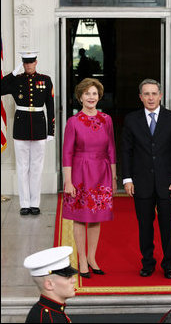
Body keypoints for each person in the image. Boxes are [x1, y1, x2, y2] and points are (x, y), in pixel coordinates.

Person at [121, 79, 171, 279]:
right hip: (141, 183)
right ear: (140, 97)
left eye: (154, 93)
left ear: (160, 96)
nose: (150, 97)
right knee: (145, 226)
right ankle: (147, 263)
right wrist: (127, 179)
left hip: (168, 183)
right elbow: (126, 151)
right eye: (146, 94)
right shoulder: (131, 120)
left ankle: (169, 265)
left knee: (168, 225)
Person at [62, 78, 117, 278]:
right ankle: (82, 259)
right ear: (80, 97)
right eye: (87, 94)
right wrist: (68, 181)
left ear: (99, 96)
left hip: (102, 172)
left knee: (97, 217)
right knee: (80, 217)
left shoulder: (107, 120)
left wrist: (114, 175)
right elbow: (66, 153)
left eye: (94, 93)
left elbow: (111, 148)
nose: (91, 97)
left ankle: (92, 258)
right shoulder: (73, 121)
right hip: (80, 172)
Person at [1, 52, 55, 215]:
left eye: (31, 63)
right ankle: (24, 204)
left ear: (36, 62)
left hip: (39, 126)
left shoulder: (45, 80)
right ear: (22, 64)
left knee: (36, 167)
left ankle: (35, 203)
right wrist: (12, 74)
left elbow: (51, 106)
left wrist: (50, 131)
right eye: (25, 63)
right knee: (22, 167)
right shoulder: (16, 80)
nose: (28, 66)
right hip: (21, 127)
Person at [23, 246, 77, 323]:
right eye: (68, 277)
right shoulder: (47, 318)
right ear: (49, 285)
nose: (74, 280)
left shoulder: (51, 311)